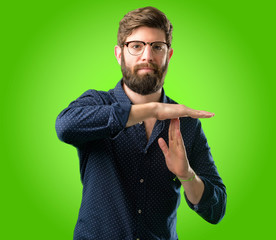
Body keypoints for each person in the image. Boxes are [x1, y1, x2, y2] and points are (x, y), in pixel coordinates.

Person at [55, 6, 226, 240]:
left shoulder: (186, 124)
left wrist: (187, 175)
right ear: (119, 54)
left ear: (169, 55)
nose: (147, 56)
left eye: (157, 47)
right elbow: (65, 126)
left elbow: (217, 209)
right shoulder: (97, 103)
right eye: (136, 46)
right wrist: (153, 109)